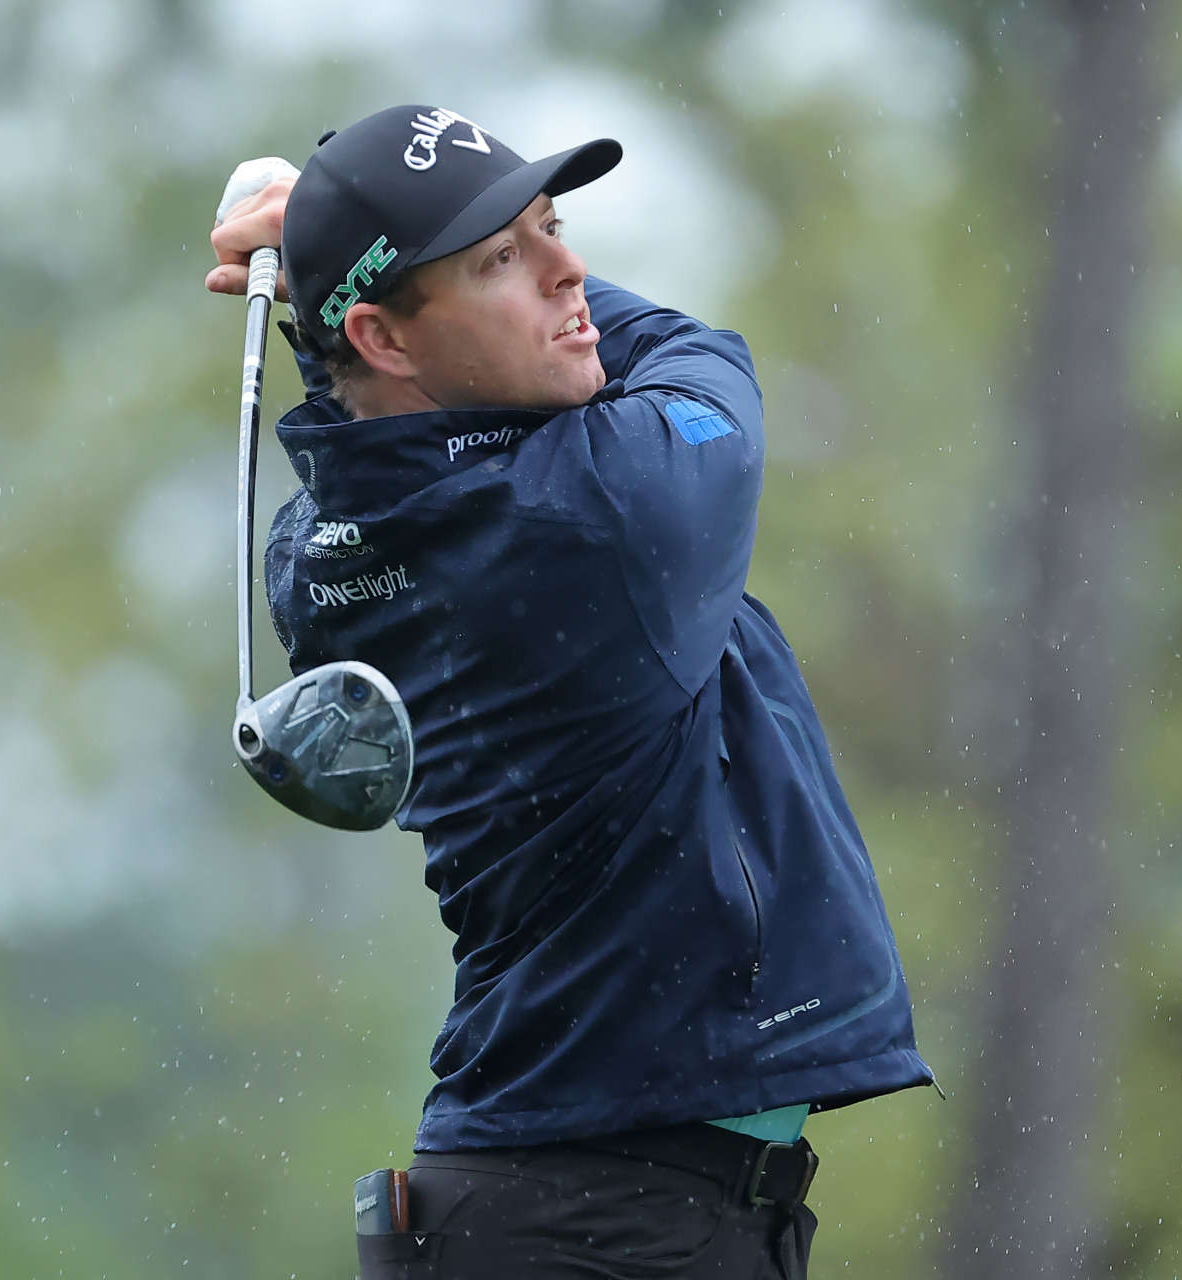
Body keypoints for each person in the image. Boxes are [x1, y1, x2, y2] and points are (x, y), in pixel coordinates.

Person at [207, 103, 934, 1278]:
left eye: (554, 226)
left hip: (570, 1202)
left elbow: (388, 406)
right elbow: (695, 355)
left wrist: (331, 280)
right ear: (387, 337)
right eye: (504, 256)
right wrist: (327, 268)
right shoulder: (609, 512)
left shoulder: (320, 550)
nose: (570, 271)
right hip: (605, 1220)